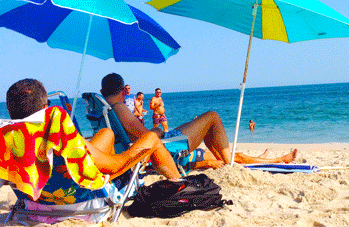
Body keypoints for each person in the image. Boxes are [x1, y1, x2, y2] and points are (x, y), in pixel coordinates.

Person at [101, 73, 298, 171]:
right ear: (121, 91)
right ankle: (274, 160)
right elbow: (147, 137)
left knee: (225, 153)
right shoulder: (119, 108)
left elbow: (132, 135)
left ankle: (270, 159)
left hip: (156, 151)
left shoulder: (103, 110)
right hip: (166, 150)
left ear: (103, 92)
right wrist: (157, 131)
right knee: (212, 117)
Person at [5, 79, 180, 181]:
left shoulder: (7, 139)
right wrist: (150, 138)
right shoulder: (60, 135)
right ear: (45, 106)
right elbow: (116, 165)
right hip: (82, 197)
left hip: (37, 203)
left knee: (107, 133)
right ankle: (181, 185)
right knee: (150, 138)